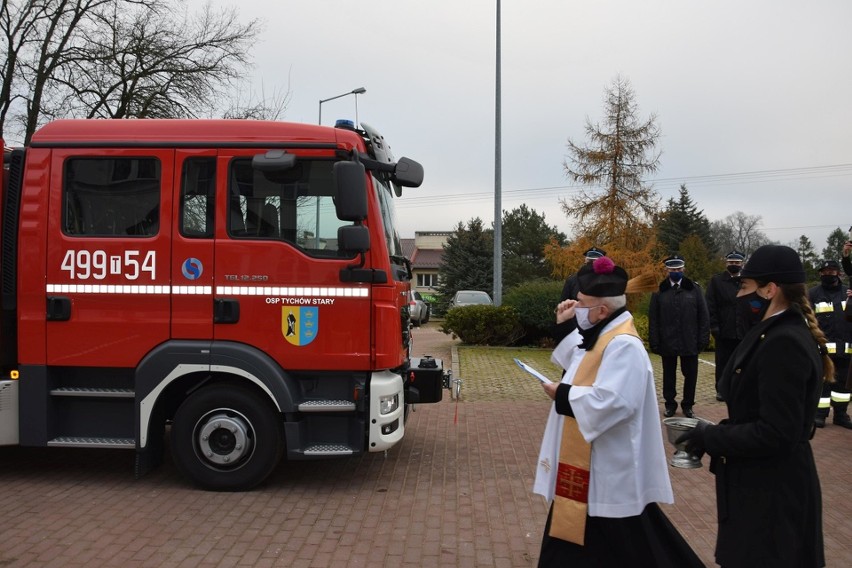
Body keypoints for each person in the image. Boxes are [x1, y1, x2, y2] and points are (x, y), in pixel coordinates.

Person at [535, 256, 702, 568]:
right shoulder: (605, 333)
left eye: (581, 303)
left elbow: (613, 401)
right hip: (591, 465)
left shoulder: (624, 344)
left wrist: (564, 395)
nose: (575, 305)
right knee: (579, 541)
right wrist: (567, 326)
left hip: (610, 466)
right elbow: (583, 363)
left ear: (601, 310)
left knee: (641, 546)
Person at [676, 244, 827, 568]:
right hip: (761, 492)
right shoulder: (771, 333)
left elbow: (777, 432)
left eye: (745, 287)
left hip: (773, 500)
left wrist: (710, 436)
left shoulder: (783, 341)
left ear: (769, 290)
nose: (738, 295)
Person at [648, 255, 710, 418]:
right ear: (667, 271)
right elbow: (653, 317)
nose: (676, 272)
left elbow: (703, 315)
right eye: (672, 269)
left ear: (684, 269)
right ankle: (670, 404)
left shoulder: (694, 289)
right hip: (667, 340)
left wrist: (703, 339)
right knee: (668, 375)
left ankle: (688, 405)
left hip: (690, 340)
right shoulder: (659, 290)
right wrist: (654, 340)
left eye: (678, 269)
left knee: (690, 375)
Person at [809, 259, 852, 429]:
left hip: (846, 348)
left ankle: (841, 415)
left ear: (838, 273)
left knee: (843, 386)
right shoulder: (813, 294)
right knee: (823, 384)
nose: (828, 274)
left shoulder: (847, 293)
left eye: (832, 271)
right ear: (820, 273)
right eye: (825, 272)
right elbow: (807, 319)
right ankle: (819, 415)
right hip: (823, 348)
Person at [705, 250, 746, 401]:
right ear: (726, 263)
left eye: (737, 262)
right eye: (731, 262)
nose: (734, 265)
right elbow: (710, 304)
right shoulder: (716, 281)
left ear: (742, 263)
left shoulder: (747, 282)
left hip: (743, 330)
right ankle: (721, 389)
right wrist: (714, 326)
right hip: (724, 330)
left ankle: (739, 388)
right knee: (723, 362)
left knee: (742, 362)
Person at [553, 247, 606, 344]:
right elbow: (563, 302)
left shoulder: (606, 281)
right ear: (585, 261)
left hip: (598, 326)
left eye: (595, 262)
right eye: (590, 262)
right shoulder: (572, 280)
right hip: (575, 326)